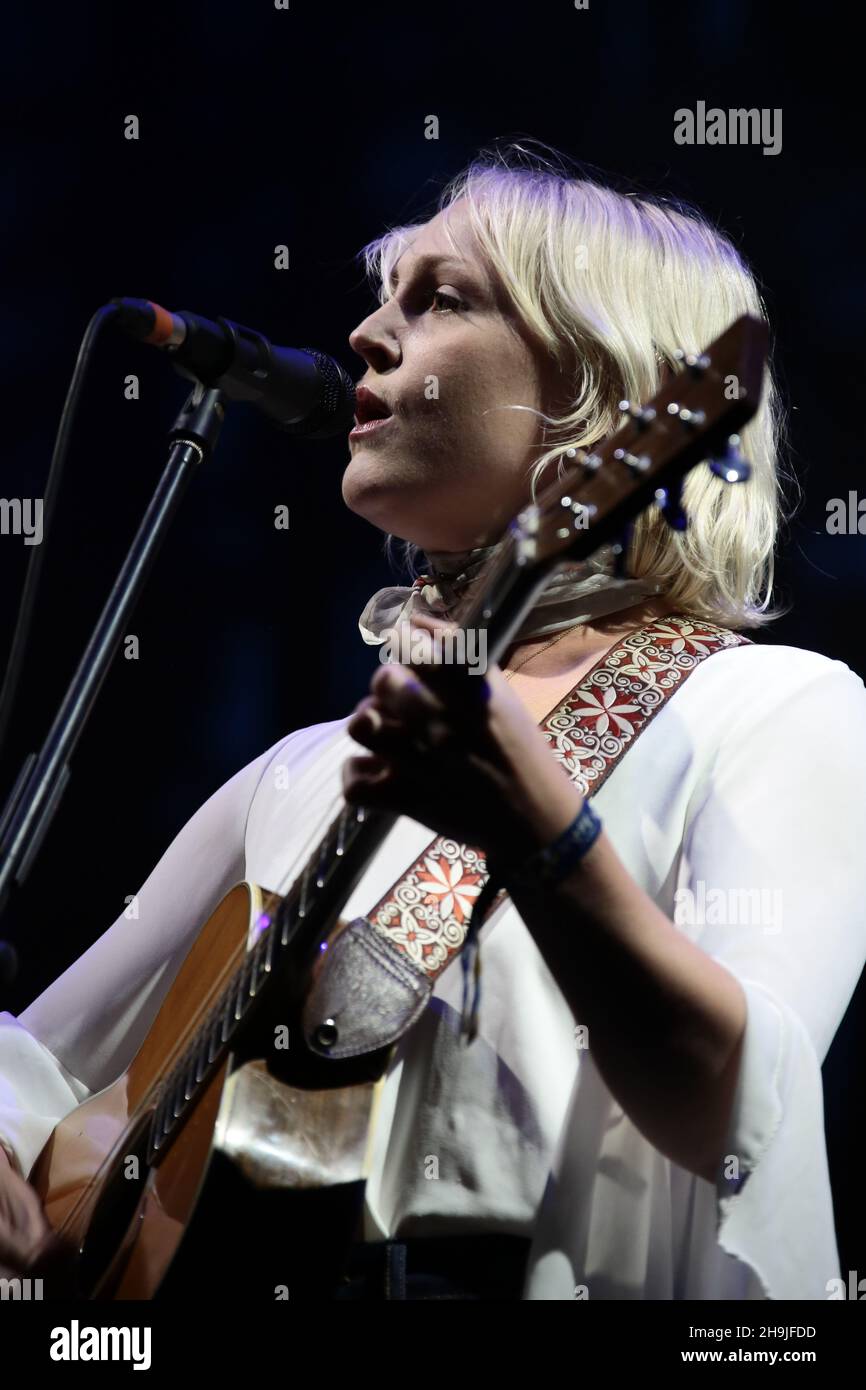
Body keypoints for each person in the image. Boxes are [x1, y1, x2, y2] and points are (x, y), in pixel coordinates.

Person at [1, 146, 865, 1301]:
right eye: (381, 293)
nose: (364, 333)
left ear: (597, 392)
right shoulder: (299, 774)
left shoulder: (773, 708)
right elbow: (39, 1059)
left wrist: (548, 838)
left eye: (440, 298)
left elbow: (737, 1116)